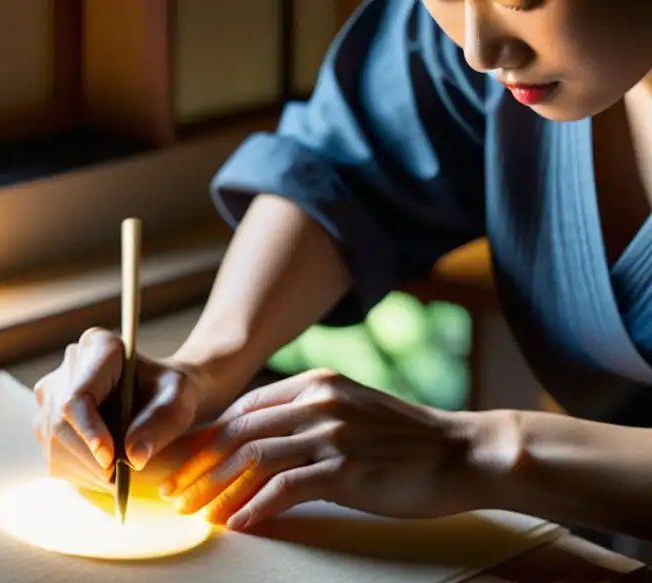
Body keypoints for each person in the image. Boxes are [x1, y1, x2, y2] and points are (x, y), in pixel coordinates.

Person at [33, 0, 652, 545]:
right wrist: (204, 367)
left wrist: (479, 453)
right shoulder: (476, 38)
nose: (478, 50)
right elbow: (346, 169)